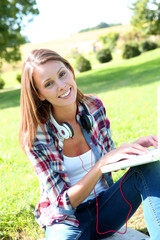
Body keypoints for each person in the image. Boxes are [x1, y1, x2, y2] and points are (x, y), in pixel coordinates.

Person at [19, 48, 160, 240]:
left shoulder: (94, 107)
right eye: (49, 84)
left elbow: (109, 156)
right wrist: (100, 166)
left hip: (106, 209)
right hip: (66, 221)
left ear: (70, 71)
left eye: (62, 74)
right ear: (39, 94)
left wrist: (133, 149)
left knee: (150, 168)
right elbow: (62, 203)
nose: (61, 85)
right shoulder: (36, 136)